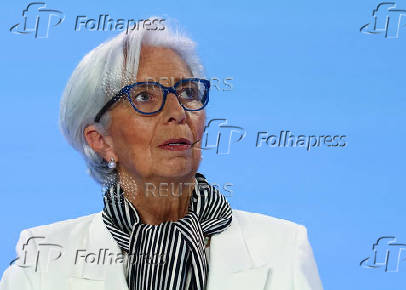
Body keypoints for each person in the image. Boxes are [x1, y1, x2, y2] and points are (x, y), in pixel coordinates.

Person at [0, 19, 323, 290]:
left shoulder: (283, 248)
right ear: (101, 140)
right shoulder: (42, 260)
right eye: (144, 96)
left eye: (188, 92)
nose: (177, 112)